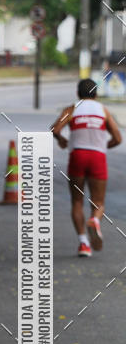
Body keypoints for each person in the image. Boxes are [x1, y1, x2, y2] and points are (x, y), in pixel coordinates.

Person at [51, 78, 121, 257]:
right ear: (96, 95)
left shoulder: (72, 109)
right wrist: (103, 146)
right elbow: (118, 138)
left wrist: (62, 140)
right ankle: (95, 220)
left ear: (77, 94)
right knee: (98, 203)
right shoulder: (103, 111)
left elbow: (55, 129)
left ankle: (83, 243)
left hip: (77, 156)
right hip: (97, 157)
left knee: (77, 201)